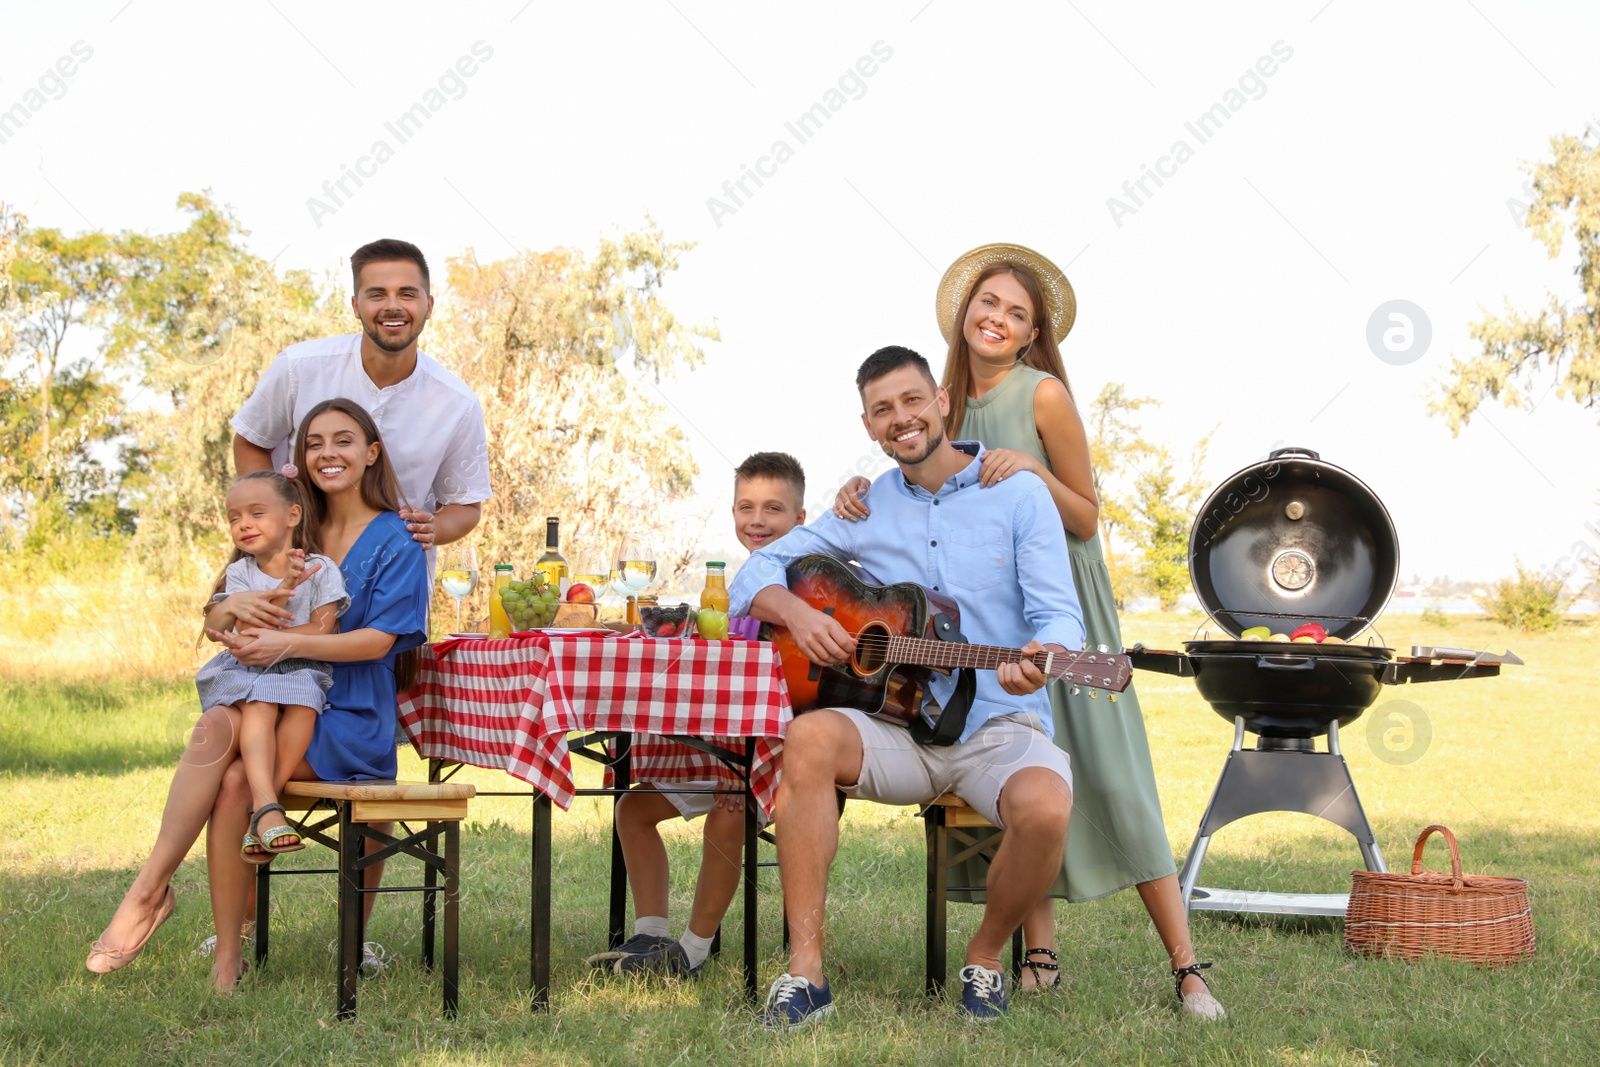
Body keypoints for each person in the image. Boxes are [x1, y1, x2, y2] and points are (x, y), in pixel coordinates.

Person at [833, 243, 1224, 1020]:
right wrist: (855, 488)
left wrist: (1031, 473)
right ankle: (1035, 952)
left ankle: (1186, 966)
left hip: (1059, 602)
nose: (998, 319)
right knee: (1023, 768)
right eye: (989, 304)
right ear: (963, 311)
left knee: (1112, 776)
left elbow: (1086, 512)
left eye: (1017, 313)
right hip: (982, 617)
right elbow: (915, 484)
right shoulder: (938, 397)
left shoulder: (1043, 396)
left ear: (1035, 331)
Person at [732, 347, 1084, 1026]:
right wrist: (799, 613)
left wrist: (1046, 653)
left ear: (942, 401)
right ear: (867, 425)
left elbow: (1057, 613)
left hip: (996, 722)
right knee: (806, 738)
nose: (902, 418)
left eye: (912, 400)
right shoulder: (865, 507)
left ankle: (983, 960)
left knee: (1046, 806)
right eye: (883, 409)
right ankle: (805, 974)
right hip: (897, 726)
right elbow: (758, 569)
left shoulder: (1016, 492)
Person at [87, 399, 431, 992]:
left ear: (371, 453)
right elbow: (222, 606)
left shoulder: (399, 538)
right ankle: (180, 912)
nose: (328, 453)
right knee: (219, 729)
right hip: (261, 696)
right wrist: (225, 610)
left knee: (235, 778)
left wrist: (280, 643)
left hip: (346, 710)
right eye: (315, 442)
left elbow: (380, 643)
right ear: (300, 460)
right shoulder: (288, 519)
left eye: (344, 440)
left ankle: (164, 906)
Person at [587, 452, 807, 978]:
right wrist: (647, 633)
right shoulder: (736, 586)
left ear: (800, 519)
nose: (757, 520)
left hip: (781, 758)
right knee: (634, 810)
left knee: (731, 806)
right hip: (732, 752)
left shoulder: (806, 583)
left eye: (773, 509)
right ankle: (650, 936)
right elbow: (716, 641)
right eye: (745, 507)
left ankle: (693, 950)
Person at [231, 238, 491, 554]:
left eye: (407, 294)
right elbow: (250, 441)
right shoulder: (298, 368)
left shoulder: (457, 404)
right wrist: (282, 520)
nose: (393, 306)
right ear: (356, 306)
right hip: (294, 568)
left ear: (429, 306)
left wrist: (434, 526)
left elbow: (465, 506)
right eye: (377, 294)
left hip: (395, 580)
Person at [197, 467, 348, 863]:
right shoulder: (240, 573)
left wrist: (296, 587)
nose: (243, 524)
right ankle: (267, 808)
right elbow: (248, 630)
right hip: (248, 669)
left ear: (293, 516)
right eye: (233, 518)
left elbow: (324, 630)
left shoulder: (321, 568)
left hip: (302, 667)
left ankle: (260, 812)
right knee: (260, 704)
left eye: (256, 513)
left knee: (304, 701)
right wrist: (284, 589)